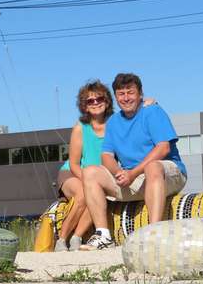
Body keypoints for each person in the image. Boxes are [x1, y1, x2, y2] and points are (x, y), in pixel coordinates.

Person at [81, 73, 187, 250]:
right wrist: (118, 173)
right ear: (115, 97)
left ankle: (153, 234)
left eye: (130, 92)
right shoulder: (114, 121)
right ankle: (103, 235)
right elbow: (106, 155)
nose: (126, 97)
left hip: (167, 173)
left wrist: (133, 173)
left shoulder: (152, 111)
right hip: (133, 178)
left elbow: (163, 148)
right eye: (121, 94)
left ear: (140, 94)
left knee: (153, 167)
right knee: (90, 171)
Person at [53, 80, 112, 252]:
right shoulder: (80, 128)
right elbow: (73, 163)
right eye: (90, 101)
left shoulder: (115, 125)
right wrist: (87, 180)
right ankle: (61, 239)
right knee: (84, 194)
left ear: (107, 101)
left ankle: (77, 237)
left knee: (97, 196)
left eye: (99, 99)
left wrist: (150, 103)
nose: (95, 103)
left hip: (98, 175)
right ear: (84, 106)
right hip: (72, 172)